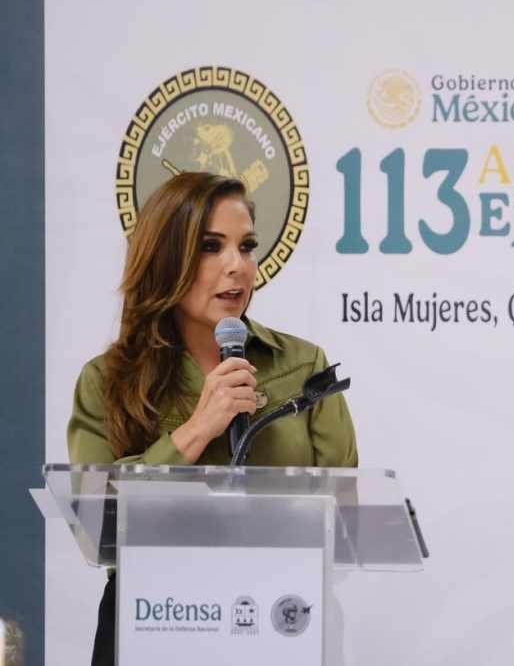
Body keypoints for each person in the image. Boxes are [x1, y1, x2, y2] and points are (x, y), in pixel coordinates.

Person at [66, 172, 358, 665]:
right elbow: (98, 531)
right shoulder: (107, 379)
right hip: (153, 619)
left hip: (277, 618)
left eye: (246, 247)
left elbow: (347, 516)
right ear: (166, 259)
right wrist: (198, 428)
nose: (236, 266)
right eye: (210, 246)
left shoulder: (303, 366)